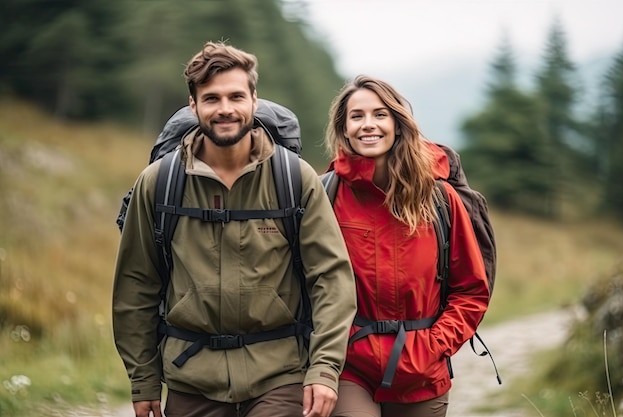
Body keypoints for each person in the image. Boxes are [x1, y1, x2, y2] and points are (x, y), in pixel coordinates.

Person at [112, 41, 357, 417]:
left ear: (254, 101)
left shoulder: (293, 178)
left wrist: (324, 370)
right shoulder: (159, 182)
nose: (225, 109)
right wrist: (143, 379)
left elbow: (331, 278)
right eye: (211, 99)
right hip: (190, 378)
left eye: (236, 96)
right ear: (193, 105)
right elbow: (136, 285)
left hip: (281, 376)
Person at [323, 75, 491, 417]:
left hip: (422, 371)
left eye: (380, 114)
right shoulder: (327, 194)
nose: (368, 125)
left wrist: (433, 346)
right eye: (357, 116)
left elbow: (471, 290)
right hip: (349, 365)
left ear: (398, 124)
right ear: (343, 129)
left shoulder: (439, 198)